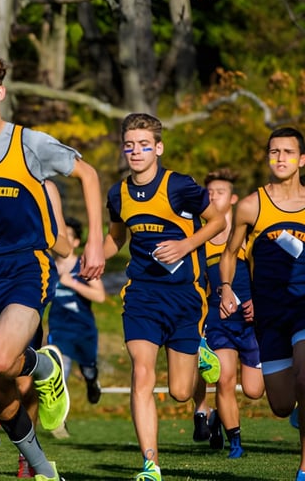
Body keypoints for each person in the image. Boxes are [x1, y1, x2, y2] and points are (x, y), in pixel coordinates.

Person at [0, 47, 105, 481]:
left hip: (26, 266)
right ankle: (44, 469)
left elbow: (88, 175)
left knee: (3, 359)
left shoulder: (29, 142)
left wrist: (97, 243)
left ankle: (45, 367)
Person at [101, 113, 226, 480]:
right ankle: (150, 464)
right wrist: (91, 256)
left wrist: (185, 245)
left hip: (185, 296)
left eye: (143, 145)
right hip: (141, 294)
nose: (135, 152)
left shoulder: (180, 186)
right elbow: (116, 239)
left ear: (158, 148)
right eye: (129, 145)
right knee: (141, 373)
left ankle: (200, 350)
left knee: (180, 392)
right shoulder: (118, 194)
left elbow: (217, 222)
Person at [219, 127, 305, 480]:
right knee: (282, 405)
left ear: (302, 160)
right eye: (274, 152)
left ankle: (303, 468)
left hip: (303, 306)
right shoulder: (251, 206)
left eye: (287, 152)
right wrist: (226, 287)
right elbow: (228, 253)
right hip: (270, 316)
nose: (280, 158)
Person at [191, 168, 264, 458]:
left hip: (250, 321)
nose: (213, 197)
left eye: (219, 192)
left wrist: (256, 301)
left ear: (233, 198)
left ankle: (219, 417)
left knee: (254, 390)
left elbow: (265, 273)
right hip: (218, 320)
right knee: (223, 378)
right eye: (209, 193)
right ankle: (236, 443)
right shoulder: (200, 238)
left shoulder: (247, 234)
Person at [47, 216, 107, 411]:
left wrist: (72, 283)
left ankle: (91, 381)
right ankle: (57, 413)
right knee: (59, 368)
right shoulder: (49, 267)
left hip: (83, 329)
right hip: (58, 328)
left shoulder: (83, 264)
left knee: (88, 369)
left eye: (67, 236)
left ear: (75, 242)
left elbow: (100, 296)